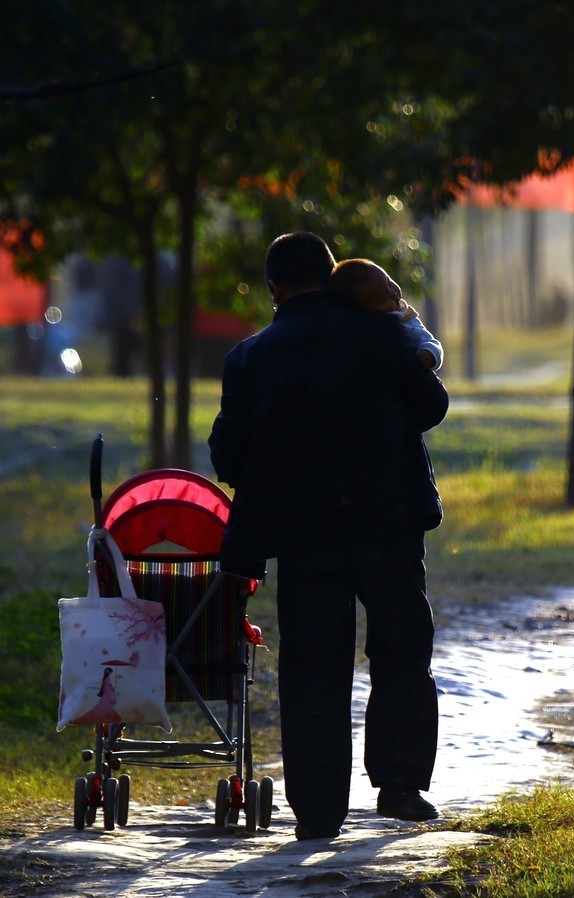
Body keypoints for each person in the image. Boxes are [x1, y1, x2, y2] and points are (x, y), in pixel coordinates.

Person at [208, 232, 448, 840]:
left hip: (304, 537)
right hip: (389, 526)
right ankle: (399, 785)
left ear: (274, 290)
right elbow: (430, 408)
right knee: (400, 648)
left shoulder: (252, 357)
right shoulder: (385, 335)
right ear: (333, 276)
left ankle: (317, 811)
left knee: (313, 664)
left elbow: (228, 454)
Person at [330, 258, 443, 371]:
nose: (394, 294)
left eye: (389, 283)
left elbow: (430, 341)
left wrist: (430, 352)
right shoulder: (361, 333)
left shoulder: (406, 318)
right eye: (383, 299)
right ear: (364, 312)